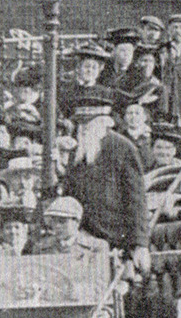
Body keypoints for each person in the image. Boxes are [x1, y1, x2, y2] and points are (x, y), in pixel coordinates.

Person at [61, 86, 150, 271]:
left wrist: (140, 244)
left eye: (89, 123)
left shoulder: (123, 147)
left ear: (102, 121)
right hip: (81, 236)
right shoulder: (75, 152)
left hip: (114, 238)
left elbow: (137, 199)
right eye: (81, 124)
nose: (83, 129)